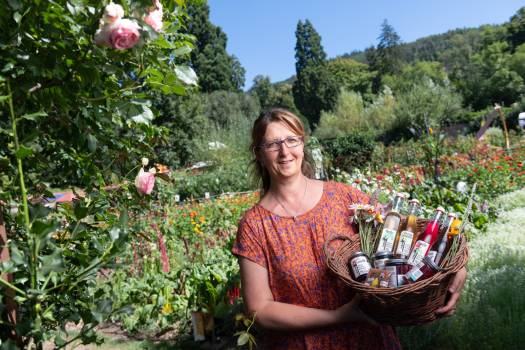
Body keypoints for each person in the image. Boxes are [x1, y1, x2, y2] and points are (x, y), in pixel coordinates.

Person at [232, 108, 467, 349]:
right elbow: (259, 309)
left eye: (292, 140)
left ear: (302, 145)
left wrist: (455, 266)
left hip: (370, 339)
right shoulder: (254, 226)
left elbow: (410, 235)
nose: (285, 151)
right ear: (259, 154)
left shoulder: (344, 197)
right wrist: (339, 316)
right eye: (272, 144)